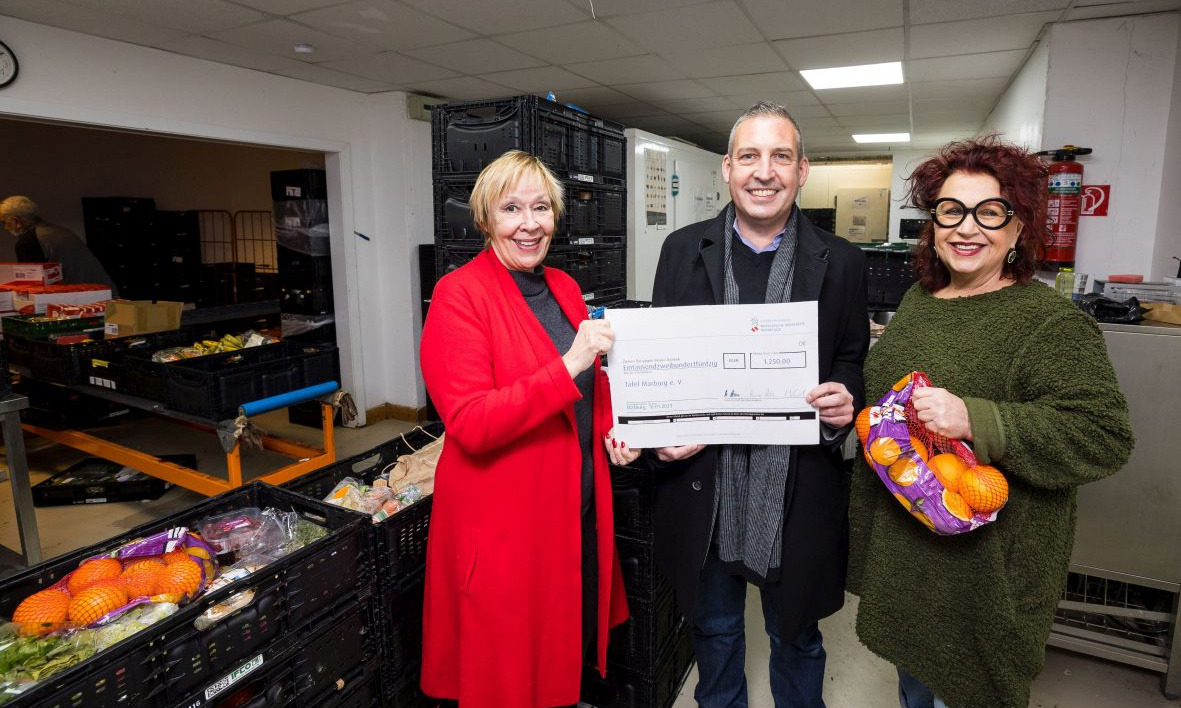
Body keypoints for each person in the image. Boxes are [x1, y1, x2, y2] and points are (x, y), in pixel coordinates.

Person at [846, 135, 1135, 708]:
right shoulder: (921, 300)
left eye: (990, 212)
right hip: (909, 551)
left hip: (985, 573)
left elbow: (1103, 437)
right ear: (933, 223)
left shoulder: (1048, 322)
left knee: (969, 688)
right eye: (951, 211)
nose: (966, 228)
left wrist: (975, 419)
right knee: (914, 686)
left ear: (1019, 227)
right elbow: (890, 397)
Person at [641, 102, 869, 708]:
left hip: (797, 485)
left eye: (780, 156)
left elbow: (850, 358)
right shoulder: (681, 249)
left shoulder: (841, 261)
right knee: (714, 632)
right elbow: (664, 361)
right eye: (749, 156)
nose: (763, 172)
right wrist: (661, 429)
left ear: (802, 170)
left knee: (795, 637)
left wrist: (846, 396)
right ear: (727, 169)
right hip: (704, 483)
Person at [418, 150, 639, 708]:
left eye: (542, 207)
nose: (530, 223)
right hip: (506, 528)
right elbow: (471, 423)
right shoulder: (459, 296)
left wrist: (615, 429)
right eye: (512, 208)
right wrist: (568, 363)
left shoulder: (562, 286)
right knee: (509, 673)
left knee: (561, 649)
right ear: (486, 218)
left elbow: (592, 387)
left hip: (572, 510)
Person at [0, 195, 118, 293]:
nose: (5, 227)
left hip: (79, 300)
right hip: (105, 293)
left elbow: (32, 287)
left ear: (17, 221)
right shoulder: (59, 231)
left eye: (5, 222)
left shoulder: (29, 241)